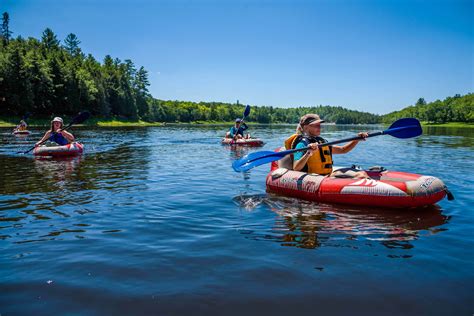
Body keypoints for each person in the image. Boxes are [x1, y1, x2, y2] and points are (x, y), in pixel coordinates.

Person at [284, 114, 369, 178]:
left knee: (361, 174)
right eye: (316, 125)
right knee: (359, 176)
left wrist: (356, 140)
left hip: (327, 176)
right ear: (305, 127)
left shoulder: (321, 142)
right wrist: (308, 153)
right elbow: (296, 168)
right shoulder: (302, 144)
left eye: (319, 125)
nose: (319, 127)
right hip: (313, 178)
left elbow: (343, 150)